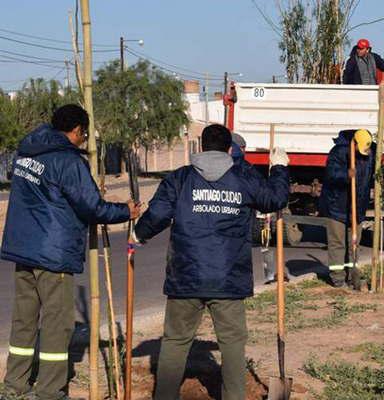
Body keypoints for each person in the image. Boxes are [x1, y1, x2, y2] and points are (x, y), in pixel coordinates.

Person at [133, 124, 289, 400]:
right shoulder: (244, 177)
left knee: (175, 342)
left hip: (186, 276)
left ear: (200, 147)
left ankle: (165, 396)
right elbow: (274, 199)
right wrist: (279, 168)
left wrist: (138, 234)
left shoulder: (181, 178)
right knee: (231, 343)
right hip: (228, 279)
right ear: (230, 149)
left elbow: (157, 214)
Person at [0, 104, 140, 400]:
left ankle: (14, 386)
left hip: (23, 250)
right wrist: (124, 211)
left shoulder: (28, 150)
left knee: (24, 320)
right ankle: (50, 391)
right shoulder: (67, 161)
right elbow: (91, 207)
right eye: (84, 134)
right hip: (53, 254)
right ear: (77, 131)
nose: (84, 140)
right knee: (56, 324)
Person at [319, 129, 374, 287]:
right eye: (362, 149)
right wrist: (346, 175)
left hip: (357, 207)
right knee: (338, 243)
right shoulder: (338, 153)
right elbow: (330, 174)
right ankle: (337, 278)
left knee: (354, 243)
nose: (366, 153)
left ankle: (353, 276)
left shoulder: (368, 153)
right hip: (337, 206)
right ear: (354, 143)